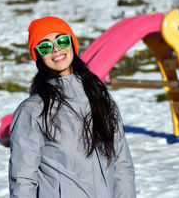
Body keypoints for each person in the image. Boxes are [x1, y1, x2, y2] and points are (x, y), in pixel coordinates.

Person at [8, 16, 136, 197]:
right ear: (38, 56)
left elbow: (122, 166)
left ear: (72, 43)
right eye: (45, 46)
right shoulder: (33, 110)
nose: (56, 49)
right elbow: (22, 179)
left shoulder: (100, 99)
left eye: (62, 40)